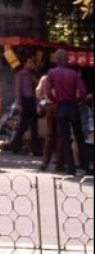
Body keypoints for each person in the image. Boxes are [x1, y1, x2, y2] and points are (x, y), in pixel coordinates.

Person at [44, 49, 91, 177]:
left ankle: (71, 168)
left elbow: (47, 91)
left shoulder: (52, 73)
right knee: (79, 137)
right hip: (73, 106)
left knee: (65, 138)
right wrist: (78, 100)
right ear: (67, 60)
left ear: (56, 59)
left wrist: (55, 100)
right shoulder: (74, 73)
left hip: (61, 106)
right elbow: (83, 91)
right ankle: (86, 166)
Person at [6, 57, 41, 156]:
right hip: (24, 101)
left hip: (32, 101)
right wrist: (19, 104)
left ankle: (36, 149)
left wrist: (37, 102)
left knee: (34, 126)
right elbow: (18, 90)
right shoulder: (20, 74)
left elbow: (35, 89)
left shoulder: (32, 74)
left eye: (32, 62)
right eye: (29, 62)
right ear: (25, 63)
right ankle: (14, 145)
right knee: (23, 125)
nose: (31, 64)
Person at [36, 70, 63, 173]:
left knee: (50, 135)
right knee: (60, 135)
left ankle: (45, 162)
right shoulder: (63, 76)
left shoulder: (44, 78)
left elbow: (38, 93)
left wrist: (45, 96)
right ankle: (59, 164)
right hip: (61, 105)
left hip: (49, 106)